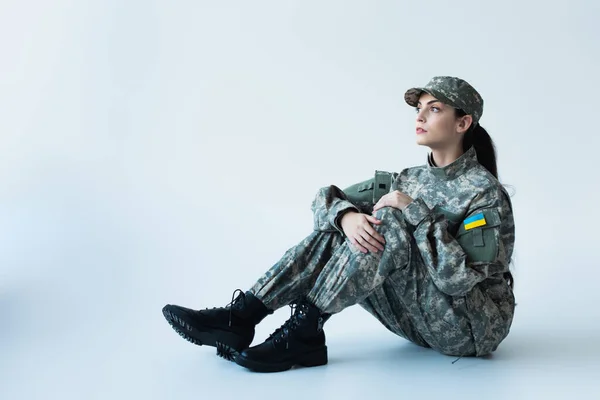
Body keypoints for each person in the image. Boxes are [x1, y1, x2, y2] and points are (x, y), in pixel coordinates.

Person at [162, 76, 516, 373]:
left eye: (434, 108)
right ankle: (243, 317)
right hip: (418, 323)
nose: (420, 116)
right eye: (419, 108)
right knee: (347, 224)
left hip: (470, 328)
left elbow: (458, 282)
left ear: (463, 123)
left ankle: (303, 332)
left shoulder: (485, 193)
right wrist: (346, 217)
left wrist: (415, 213)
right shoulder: (410, 178)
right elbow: (325, 198)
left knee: (388, 221)